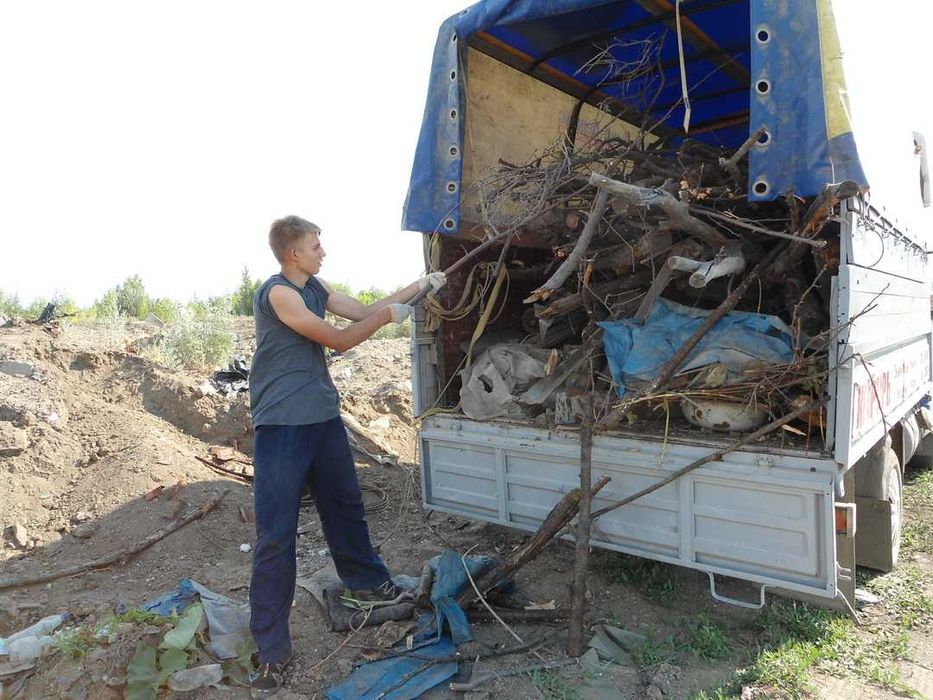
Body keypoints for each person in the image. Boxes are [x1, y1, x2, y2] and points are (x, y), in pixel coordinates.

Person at [247, 215, 445, 696]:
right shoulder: (280, 293)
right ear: (292, 252)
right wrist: (388, 319)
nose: (323, 252)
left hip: (321, 418)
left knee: (345, 507)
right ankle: (273, 651)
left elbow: (362, 312)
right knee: (276, 536)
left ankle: (365, 581)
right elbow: (339, 339)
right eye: (316, 246)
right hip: (282, 426)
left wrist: (416, 288)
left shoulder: (315, 286)